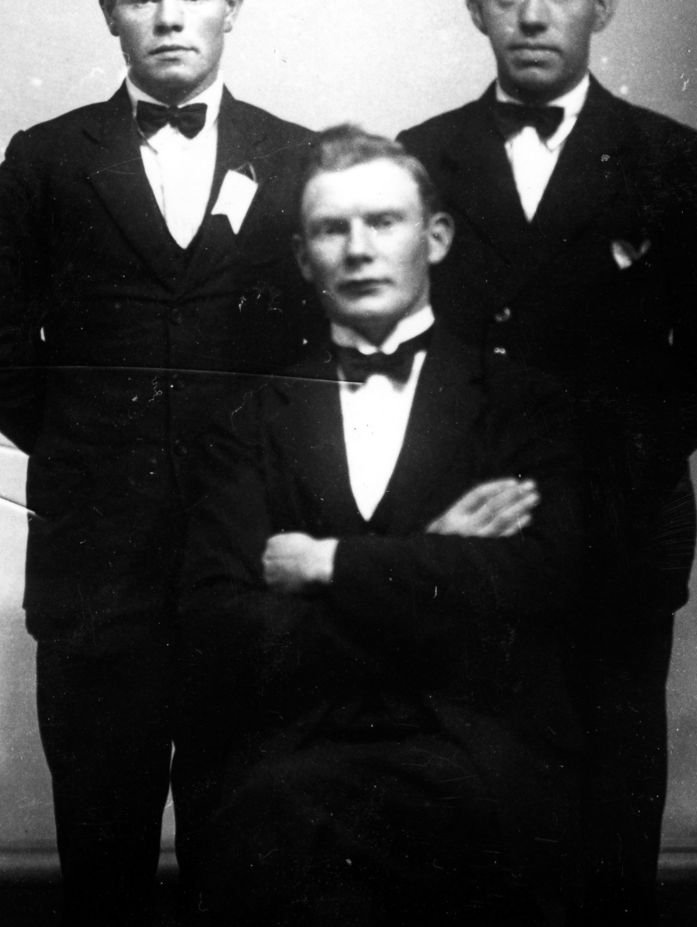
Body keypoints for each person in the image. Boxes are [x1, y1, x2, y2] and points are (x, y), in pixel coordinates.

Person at [0, 0, 317, 927]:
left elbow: (331, 353)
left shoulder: (300, 162)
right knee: (101, 849)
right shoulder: (45, 160)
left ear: (233, 3)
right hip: (96, 564)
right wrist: (90, 447)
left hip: (250, 562)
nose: (169, 16)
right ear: (107, 9)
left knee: (246, 845)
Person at [397, 0, 697, 923]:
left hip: (618, 523)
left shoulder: (672, 159)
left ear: (603, 4)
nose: (534, 14)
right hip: (467, 525)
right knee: (470, 788)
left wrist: (606, 464)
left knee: (611, 793)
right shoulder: (418, 158)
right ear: (475, 9)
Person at [178, 127, 588, 926]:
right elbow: (219, 620)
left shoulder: (523, 402)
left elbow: (541, 586)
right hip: (296, 751)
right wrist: (436, 562)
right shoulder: (249, 417)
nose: (359, 249)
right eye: (332, 229)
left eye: (384, 222)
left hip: (473, 747)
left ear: (435, 237)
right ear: (304, 258)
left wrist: (333, 564)